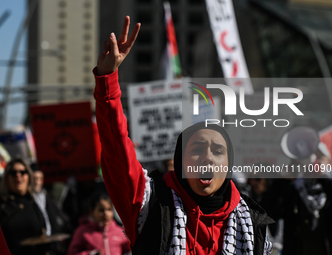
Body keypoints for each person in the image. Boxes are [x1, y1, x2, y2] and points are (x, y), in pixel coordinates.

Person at [93, 16, 273, 254]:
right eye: (196, 149)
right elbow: (117, 152)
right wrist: (108, 82)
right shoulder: (151, 204)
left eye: (217, 151)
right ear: (181, 162)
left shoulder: (253, 220)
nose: (207, 158)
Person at [0, 158, 47, 255]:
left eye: (22, 172)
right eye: (13, 172)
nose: (18, 175)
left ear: (28, 176)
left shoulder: (34, 201)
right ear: (6, 177)